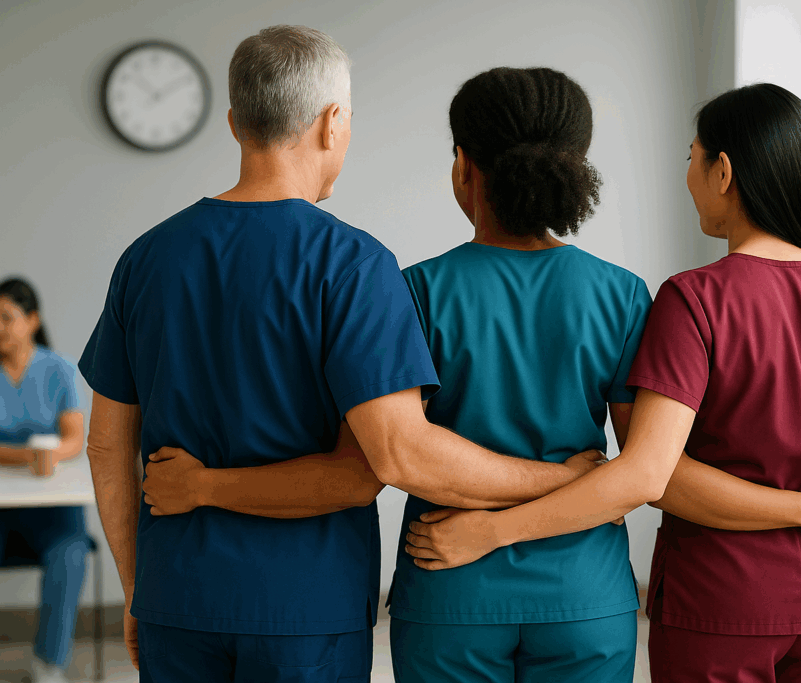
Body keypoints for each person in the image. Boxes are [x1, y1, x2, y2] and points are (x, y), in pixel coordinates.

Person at [142, 71, 801, 683]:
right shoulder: (622, 293)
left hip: (449, 582)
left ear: (465, 167)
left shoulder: (415, 289)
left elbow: (394, 451)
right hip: (586, 596)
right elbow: (646, 465)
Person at [78, 26, 605, 683]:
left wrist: (138, 587)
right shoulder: (353, 264)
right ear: (334, 123)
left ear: (237, 122)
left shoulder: (147, 257)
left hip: (177, 598)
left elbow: (106, 447)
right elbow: (390, 459)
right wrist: (574, 478)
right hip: (306, 609)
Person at [408, 83, 801, 683]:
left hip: (470, 584)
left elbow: (651, 471)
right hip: (599, 594)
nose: (687, 175)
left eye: (691, 158)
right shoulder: (626, 293)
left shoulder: (417, 290)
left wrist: (490, 528)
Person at [0, 278, 88, 683]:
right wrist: (27, 457)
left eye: (7, 318)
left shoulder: (59, 368)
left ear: (32, 320)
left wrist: (51, 455)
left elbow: (74, 436)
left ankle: (49, 666)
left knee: (69, 552)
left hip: (52, 509)